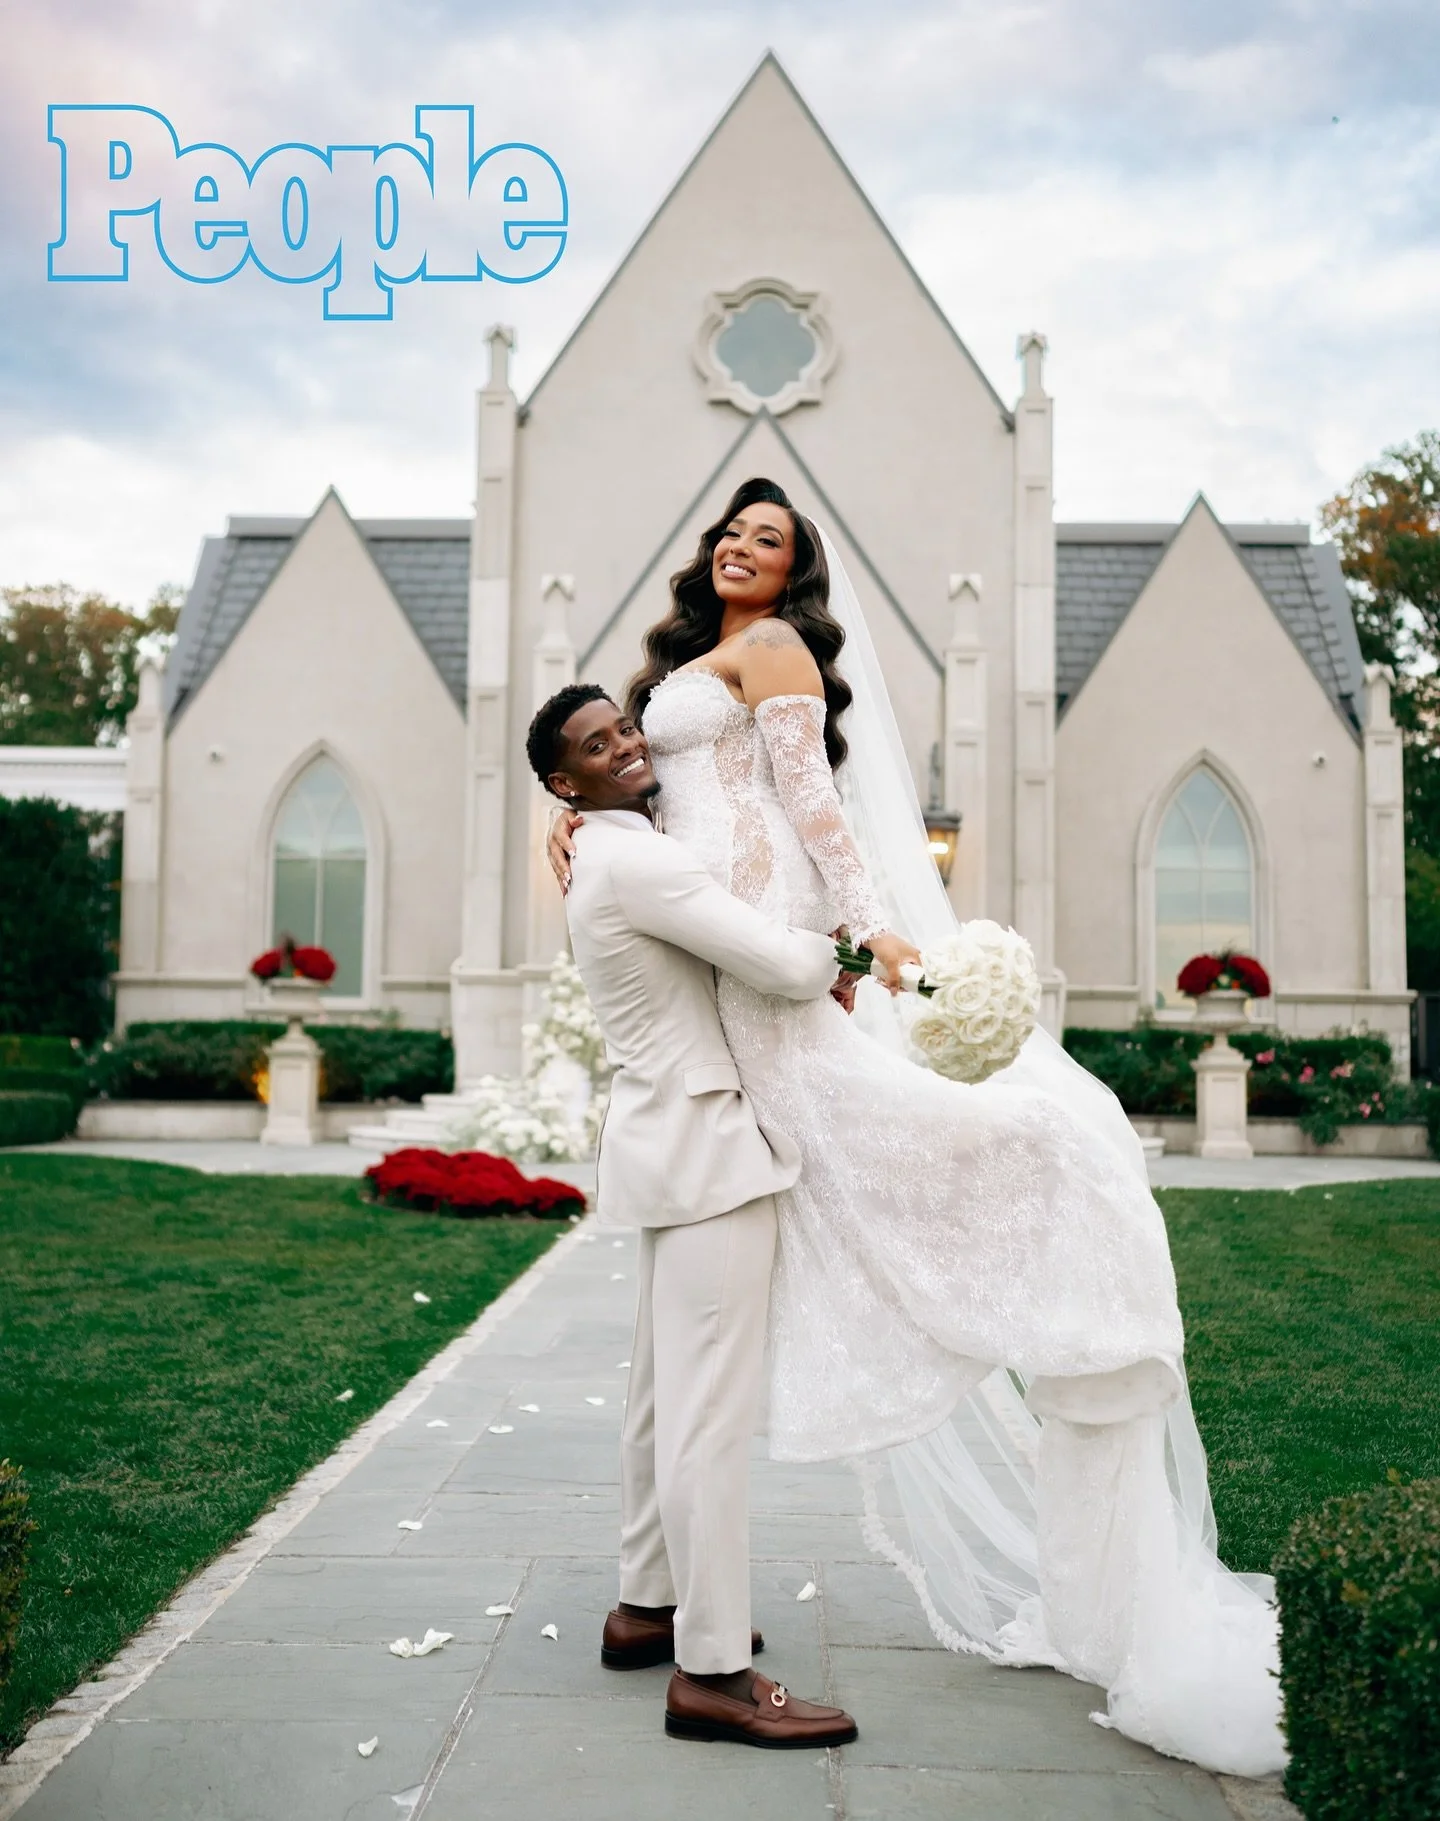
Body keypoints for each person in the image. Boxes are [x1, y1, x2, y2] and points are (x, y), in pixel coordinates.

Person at [544, 479, 1288, 1779]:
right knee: (691, 1377)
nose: (738, 545)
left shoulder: (769, 655)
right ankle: (685, 1643)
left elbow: (809, 801)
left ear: (795, 575)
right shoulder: (664, 709)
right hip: (725, 960)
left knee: (744, 1303)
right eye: (731, 529)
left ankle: (656, 1605)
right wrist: (595, 812)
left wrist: (870, 927)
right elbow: (649, 783)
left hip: (761, 941)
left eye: (767, 538)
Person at [524, 681, 860, 1751]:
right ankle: (712, 1670)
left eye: (623, 726)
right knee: (709, 1420)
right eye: (595, 744)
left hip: (667, 1144)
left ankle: (646, 1605)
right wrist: (848, 949)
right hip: (711, 1152)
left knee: (662, 1398)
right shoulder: (640, 860)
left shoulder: (608, 852)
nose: (624, 744)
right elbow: (779, 963)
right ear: (561, 783)